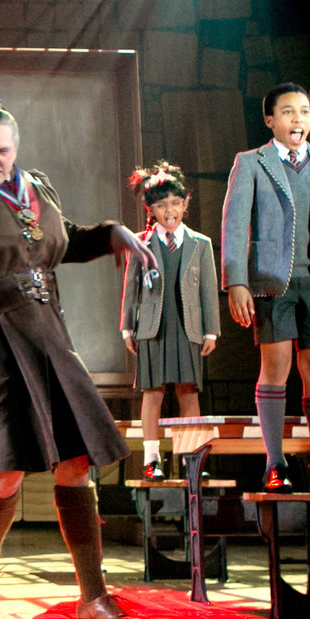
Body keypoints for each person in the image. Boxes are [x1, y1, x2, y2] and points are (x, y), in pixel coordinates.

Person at [0, 95, 154, 619]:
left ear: (16, 147)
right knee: (7, 470)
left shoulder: (35, 186)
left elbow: (58, 244)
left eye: (4, 149)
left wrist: (110, 233)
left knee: (77, 463)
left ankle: (93, 597)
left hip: (46, 333)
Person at [220, 83, 310, 494]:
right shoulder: (251, 162)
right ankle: (275, 464)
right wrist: (236, 282)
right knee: (277, 365)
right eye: (288, 111)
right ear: (270, 120)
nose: (298, 119)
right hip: (272, 281)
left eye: (304, 111)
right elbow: (234, 225)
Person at [120, 161, 219, 480]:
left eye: (176, 203)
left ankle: (192, 460)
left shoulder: (201, 244)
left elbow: (208, 290)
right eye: (162, 205)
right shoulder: (140, 243)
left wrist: (211, 331)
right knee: (153, 393)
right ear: (151, 209)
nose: (170, 210)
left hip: (188, 327)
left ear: (186, 204)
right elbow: (131, 286)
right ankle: (152, 460)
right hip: (154, 327)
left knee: (189, 392)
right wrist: (127, 327)